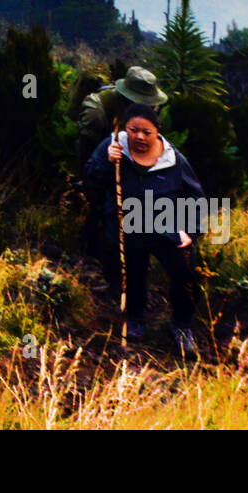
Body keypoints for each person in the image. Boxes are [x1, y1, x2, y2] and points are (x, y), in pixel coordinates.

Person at [83, 103, 204, 353]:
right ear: (126, 129)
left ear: (157, 131)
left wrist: (189, 230)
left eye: (146, 132)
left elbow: (196, 197)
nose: (139, 136)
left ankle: (181, 325)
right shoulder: (113, 147)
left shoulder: (173, 158)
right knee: (133, 272)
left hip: (166, 224)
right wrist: (107, 162)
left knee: (188, 271)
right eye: (133, 130)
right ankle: (135, 318)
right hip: (128, 224)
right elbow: (91, 182)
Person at [75, 66, 168, 258]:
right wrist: (90, 180)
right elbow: (86, 151)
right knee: (98, 200)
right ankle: (92, 246)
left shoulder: (148, 112)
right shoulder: (97, 111)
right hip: (100, 151)